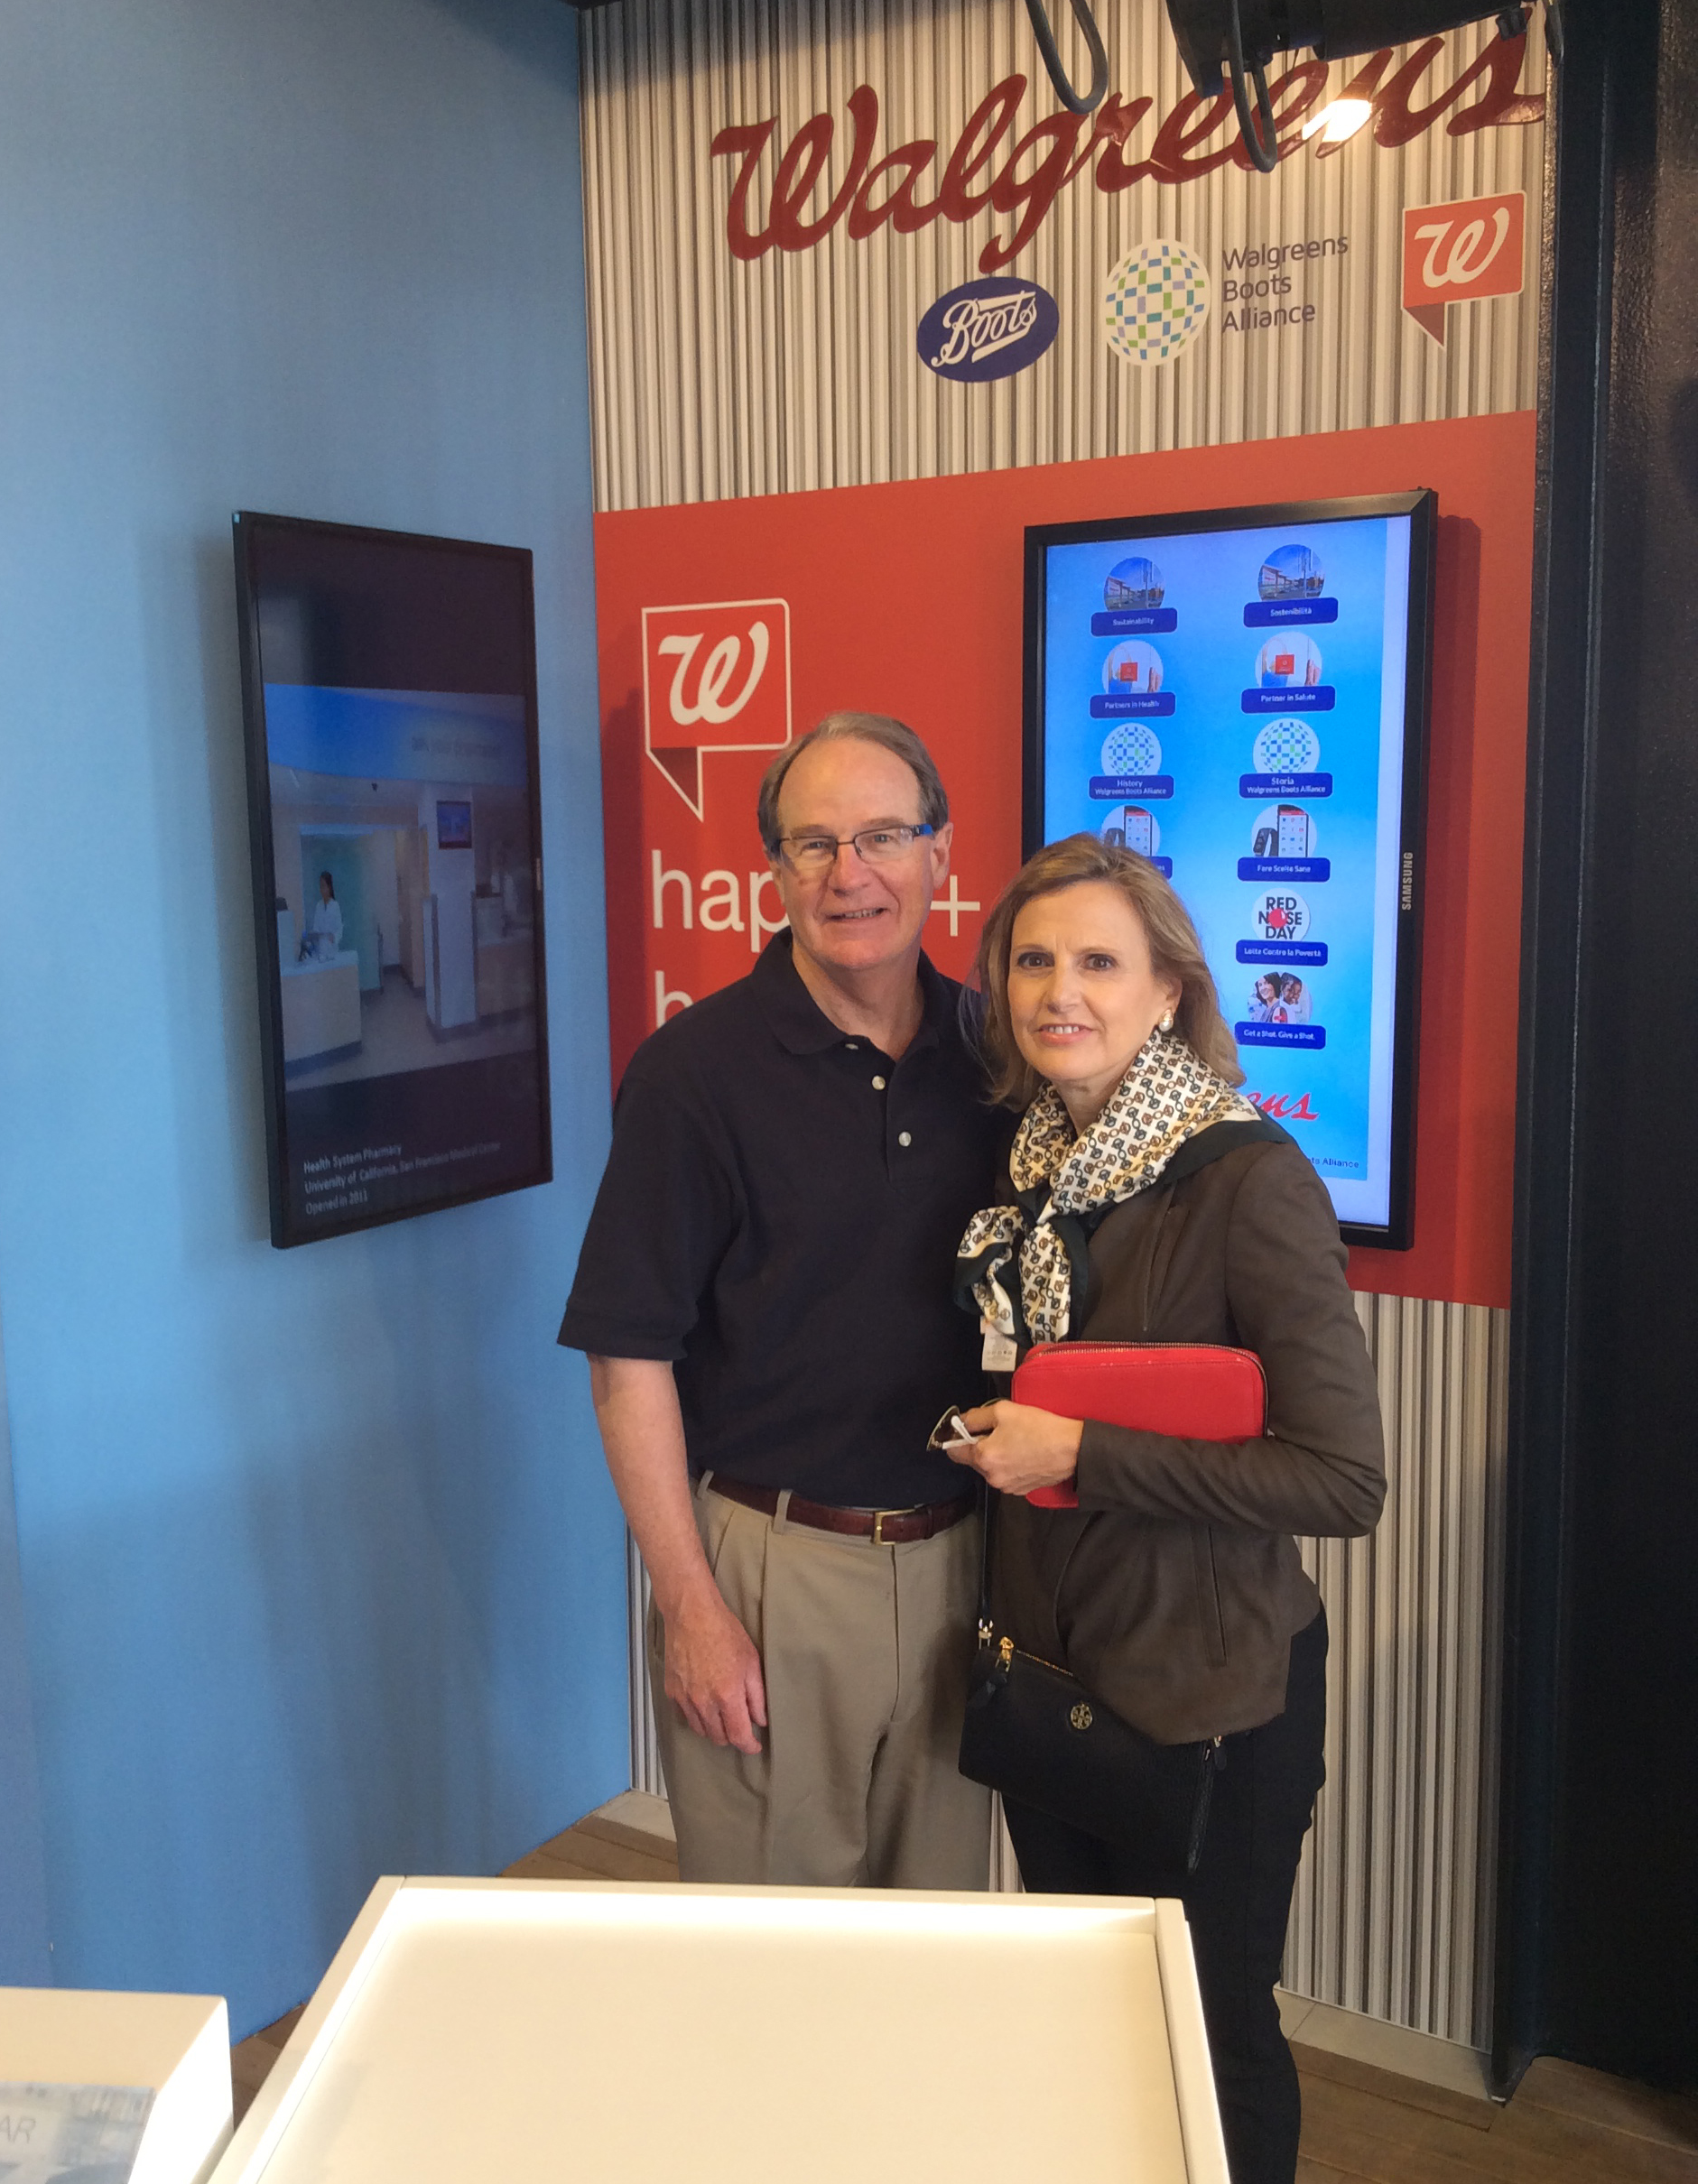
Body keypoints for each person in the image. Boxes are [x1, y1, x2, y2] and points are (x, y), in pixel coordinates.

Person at [945, 833, 1385, 2184]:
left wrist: (1084, 1449)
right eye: (1033, 961)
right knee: (1092, 2021)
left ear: (1168, 990)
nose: (1059, 991)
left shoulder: (1249, 1179)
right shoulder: (1036, 1165)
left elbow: (1342, 1478)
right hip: (1050, 1678)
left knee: (1209, 2035)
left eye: (1098, 961)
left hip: (1207, 1703)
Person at [559, 712, 1006, 1888]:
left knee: (942, 1944)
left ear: (940, 852)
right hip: (772, 1573)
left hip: (962, 1563)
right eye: (813, 844)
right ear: (775, 870)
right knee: (775, 1955)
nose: (849, 874)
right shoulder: (693, 1074)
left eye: (882, 836)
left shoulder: (997, 1055)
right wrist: (691, 1610)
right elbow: (625, 1359)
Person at [308, 871, 342, 958]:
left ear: (329, 887)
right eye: (320, 886)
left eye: (323, 886)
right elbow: (316, 927)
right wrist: (315, 935)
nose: (321, 889)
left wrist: (334, 937)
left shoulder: (335, 906)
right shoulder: (318, 906)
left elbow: (339, 929)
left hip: (332, 950)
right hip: (320, 950)